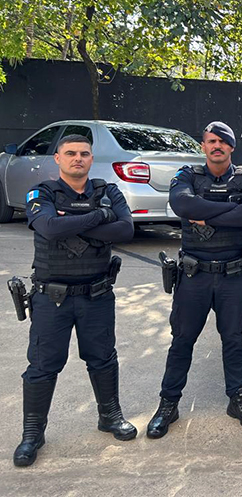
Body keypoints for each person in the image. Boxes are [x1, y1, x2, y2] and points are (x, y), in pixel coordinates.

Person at [14, 134, 136, 467]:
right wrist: (98, 218)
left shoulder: (107, 191)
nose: (77, 158)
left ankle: (109, 416)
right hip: (51, 298)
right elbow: (50, 228)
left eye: (84, 153)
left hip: (96, 295)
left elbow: (126, 230)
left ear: (91, 158)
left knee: (102, 357)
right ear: (58, 158)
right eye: (70, 153)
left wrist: (71, 222)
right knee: (42, 366)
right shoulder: (42, 193)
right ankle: (32, 433)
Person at [147, 122, 242, 438]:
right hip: (194, 276)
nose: (217, 146)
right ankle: (168, 404)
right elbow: (183, 204)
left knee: (233, 339)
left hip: (234, 276)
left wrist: (209, 213)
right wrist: (233, 209)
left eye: (223, 142)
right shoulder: (187, 176)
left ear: (231, 147)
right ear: (203, 146)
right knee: (182, 340)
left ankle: (238, 400)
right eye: (211, 141)